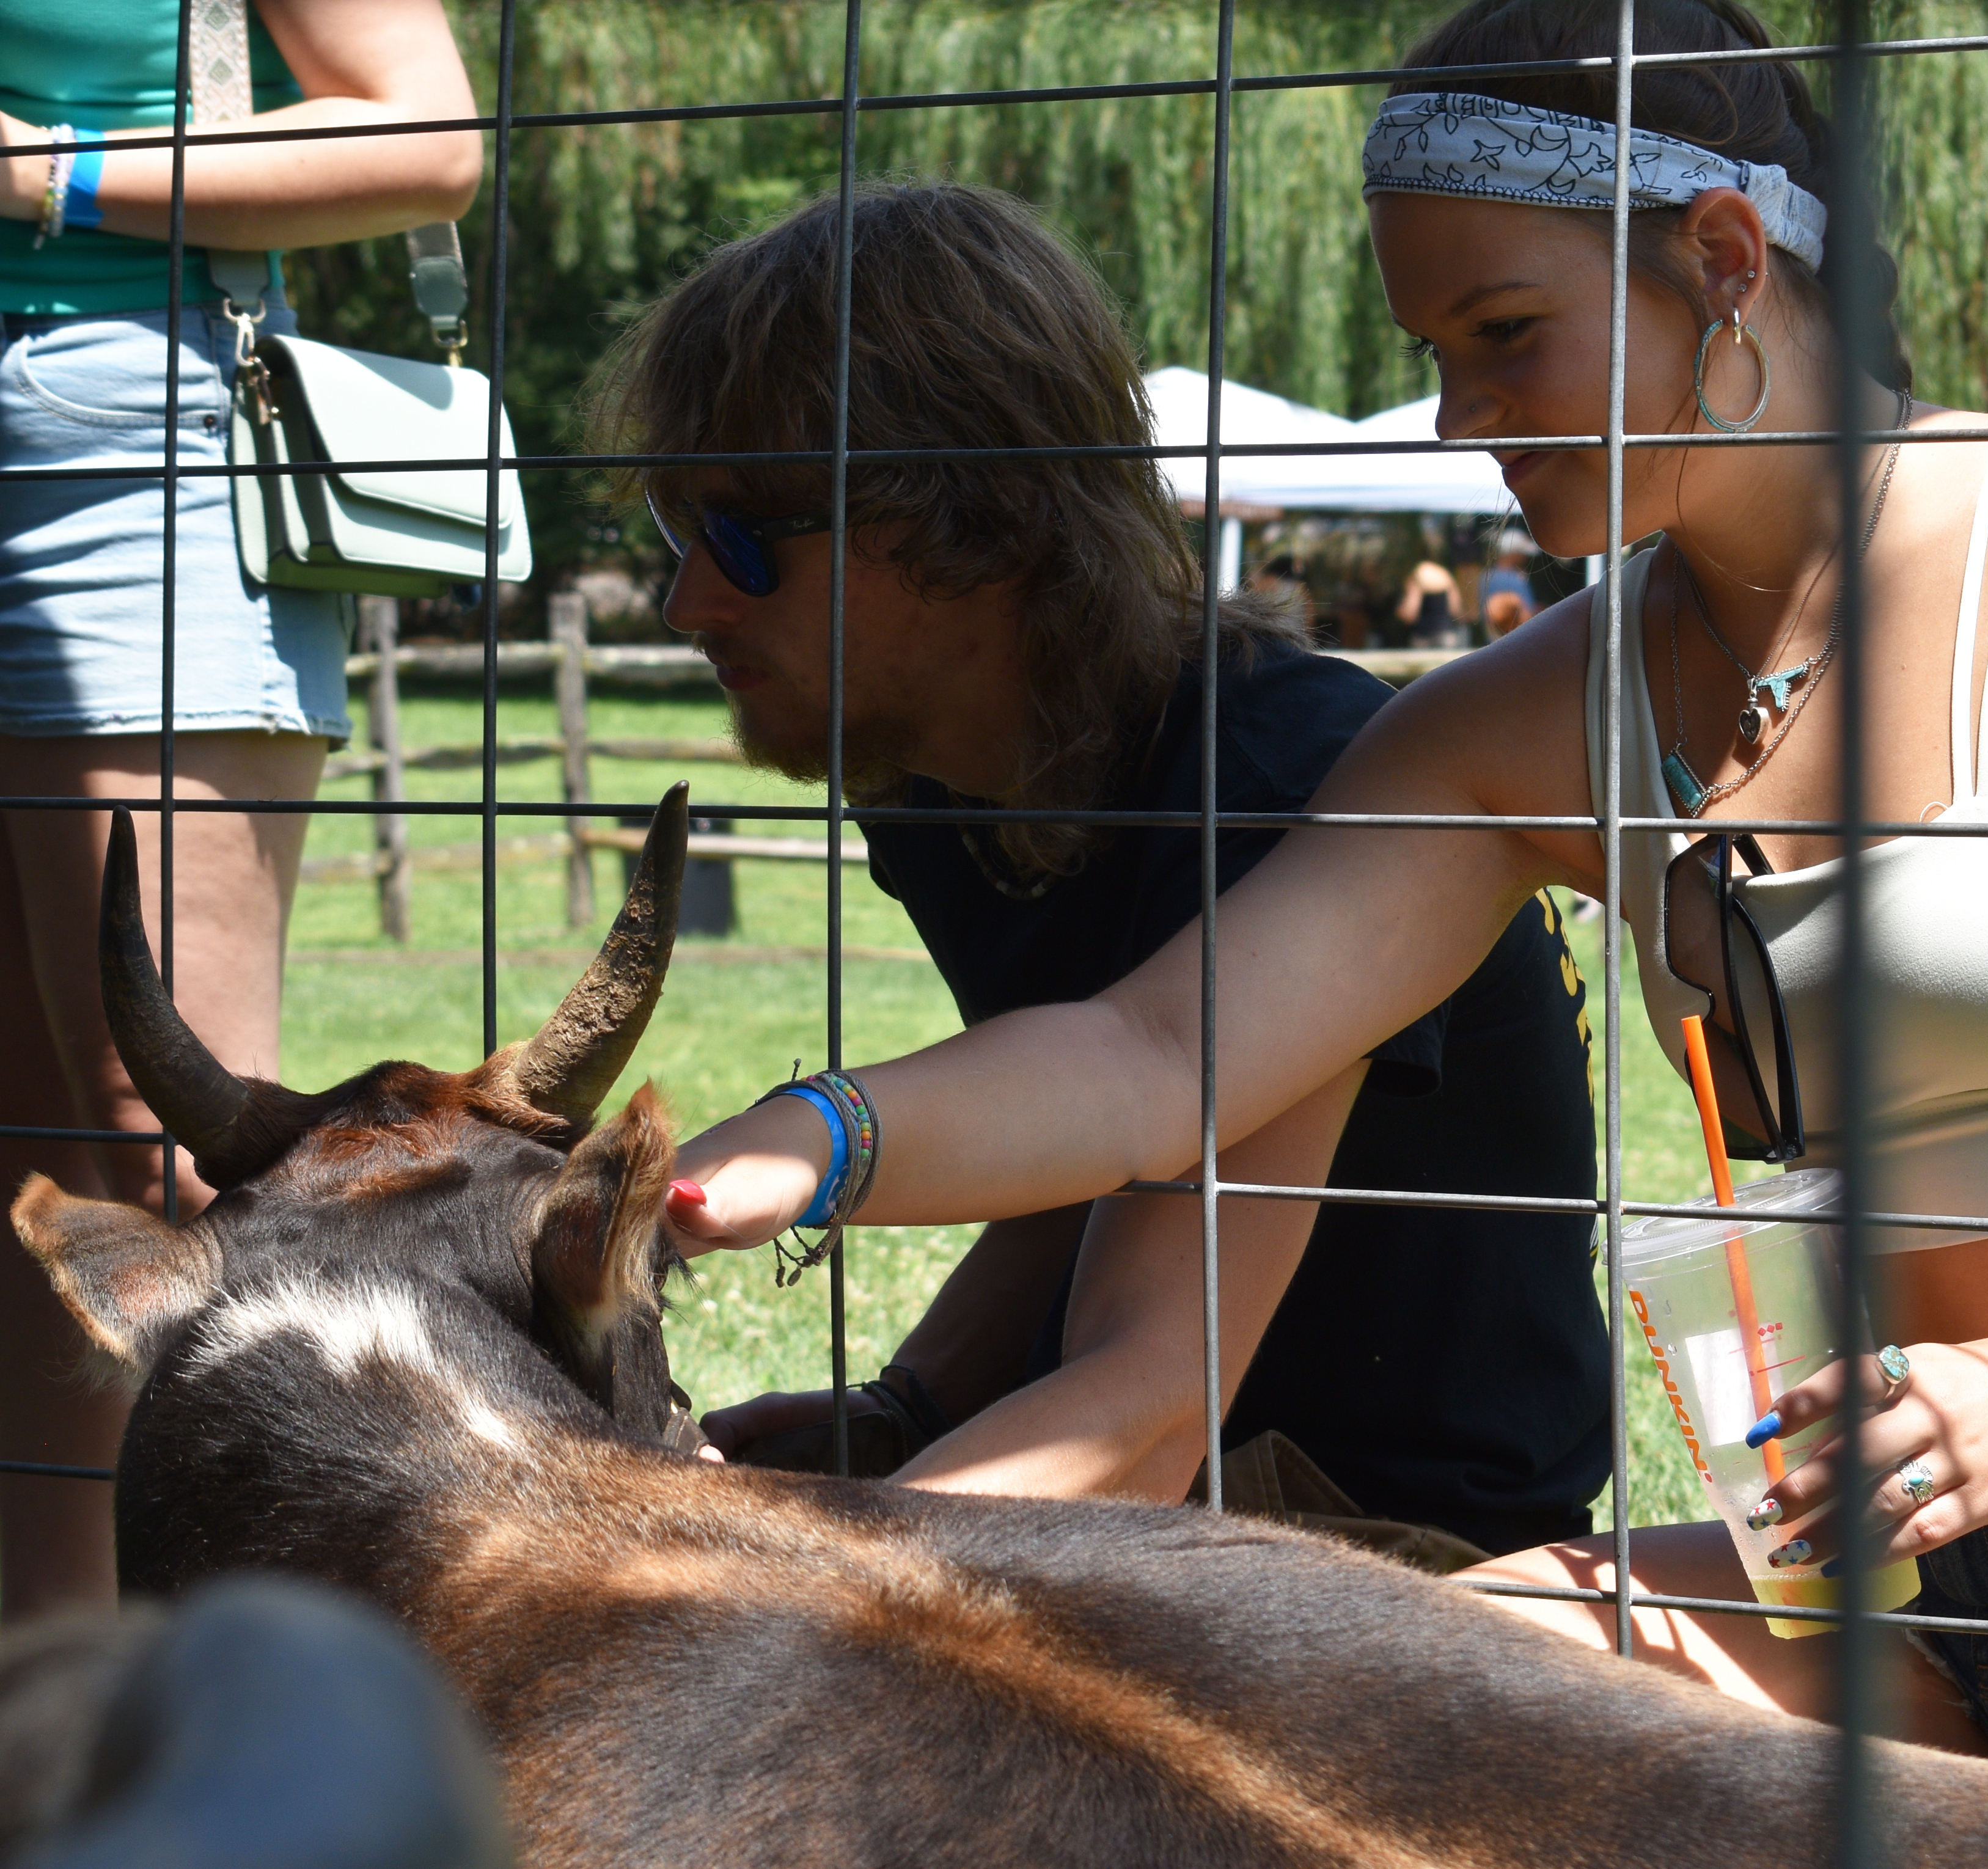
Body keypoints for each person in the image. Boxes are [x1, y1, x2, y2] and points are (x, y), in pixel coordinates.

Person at [659, 4, 1988, 1864]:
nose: (1455, 414)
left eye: (1504, 335)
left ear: (1724, 258)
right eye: (1433, 349)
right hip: (1887, 1552)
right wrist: (811, 1136)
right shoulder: (1534, 711)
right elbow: (1163, 1056)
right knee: (1320, 1733)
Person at [595, 181, 1611, 1564]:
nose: (688, 604)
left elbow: (1148, 1411)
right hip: (1182, 1497)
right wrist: (907, 1413)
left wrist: (789, 1587)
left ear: (979, 521)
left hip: (1387, 1547)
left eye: (743, 542)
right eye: (674, 535)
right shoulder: (931, 781)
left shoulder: (1276, 782)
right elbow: (1102, 1168)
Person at [0, 2, 480, 1620]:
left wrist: (42, 170)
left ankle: (294, 1725)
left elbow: (424, 129)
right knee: (29, 1186)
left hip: (114, 446)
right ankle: (58, 1739)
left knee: (189, 1179)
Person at [1478, 529, 1539, 636]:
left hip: (1492, 638)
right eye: (1522, 554)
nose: (1525, 558)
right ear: (1513, 554)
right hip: (1517, 639)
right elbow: (1526, 614)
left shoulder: (1485, 577)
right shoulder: (1516, 580)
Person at [1395, 556, 1465, 647]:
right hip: (1446, 634)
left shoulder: (1417, 579)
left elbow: (1410, 614)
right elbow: (1456, 610)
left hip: (1423, 637)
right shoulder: (1447, 579)